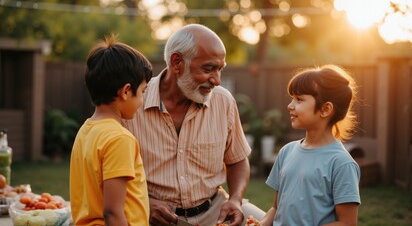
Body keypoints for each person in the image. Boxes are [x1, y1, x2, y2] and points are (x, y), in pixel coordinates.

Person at [123, 24, 265, 226]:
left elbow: (238, 160)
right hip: (153, 217)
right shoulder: (131, 104)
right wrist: (142, 203)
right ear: (176, 62)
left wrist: (235, 199)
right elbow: (107, 174)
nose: (216, 80)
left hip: (216, 213)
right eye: (208, 69)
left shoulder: (223, 101)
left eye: (219, 69)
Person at [260, 65, 361, 226]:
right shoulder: (286, 152)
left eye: (299, 99)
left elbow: (347, 223)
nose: (290, 105)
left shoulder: (342, 163)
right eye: (292, 98)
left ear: (325, 109)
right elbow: (276, 208)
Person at [70, 34, 153, 226]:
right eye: (142, 91)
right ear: (125, 92)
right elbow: (113, 213)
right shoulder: (119, 138)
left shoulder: (86, 130)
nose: (142, 100)